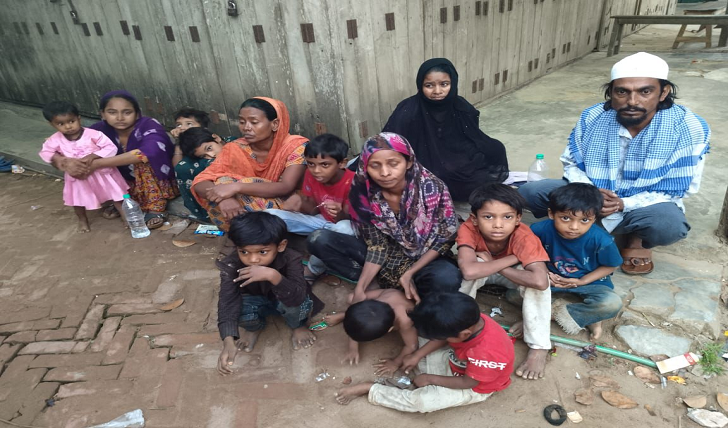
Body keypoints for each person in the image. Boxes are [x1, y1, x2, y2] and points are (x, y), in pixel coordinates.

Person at [519, 52, 710, 275]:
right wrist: (591, 194)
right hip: (591, 192)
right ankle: (584, 223)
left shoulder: (689, 127)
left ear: (663, 92)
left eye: (645, 91)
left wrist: (622, 204)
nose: (632, 101)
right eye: (622, 92)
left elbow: (684, 187)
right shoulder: (593, 117)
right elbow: (572, 162)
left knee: (668, 226)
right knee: (529, 193)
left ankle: (636, 238)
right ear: (611, 93)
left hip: (643, 204)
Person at [307, 133, 462, 306]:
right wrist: (361, 288)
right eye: (374, 165)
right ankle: (382, 284)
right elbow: (377, 246)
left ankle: (390, 285)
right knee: (319, 239)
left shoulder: (432, 188)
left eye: (393, 164)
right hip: (387, 257)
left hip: (425, 257)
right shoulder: (363, 193)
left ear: (408, 162)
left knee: (446, 277)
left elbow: (444, 239)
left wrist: (410, 272)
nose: (385, 173)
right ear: (365, 166)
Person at [335, 292, 514, 413]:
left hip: (473, 385)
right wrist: (417, 355)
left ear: (464, 334)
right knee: (416, 350)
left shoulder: (488, 354)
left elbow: (468, 382)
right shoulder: (465, 318)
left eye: (442, 336)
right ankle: (421, 373)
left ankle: (372, 389)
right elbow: (443, 338)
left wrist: (429, 379)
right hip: (457, 363)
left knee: (423, 402)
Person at [457, 183, 551, 380]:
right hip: (482, 270)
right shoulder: (468, 228)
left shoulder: (523, 235)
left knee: (539, 287)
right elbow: (469, 271)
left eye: (507, 217)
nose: (498, 224)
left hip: (510, 275)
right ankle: (458, 326)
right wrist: (512, 257)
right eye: (488, 217)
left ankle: (539, 347)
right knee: (466, 273)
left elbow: (540, 281)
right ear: (474, 218)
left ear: (518, 219)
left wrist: (498, 264)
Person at [382, 58, 508, 203]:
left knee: (495, 149)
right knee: (440, 175)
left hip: (454, 152)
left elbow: (472, 136)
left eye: (444, 84)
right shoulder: (408, 109)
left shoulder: (460, 105)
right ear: (420, 85)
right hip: (422, 157)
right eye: (429, 85)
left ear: (452, 83)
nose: (437, 91)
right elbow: (389, 142)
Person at [216, 212, 323, 375]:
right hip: (254, 299)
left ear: (281, 246)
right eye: (244, 252)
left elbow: (298, 296)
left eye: (262, 252)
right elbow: (227, 301)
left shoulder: (291, 258)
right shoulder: (231, 264)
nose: (253, 259)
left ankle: (298, 326)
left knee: (300, 304)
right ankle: (253, 328)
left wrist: (274, 276)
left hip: (286, 298)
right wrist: (228, 340)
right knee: (237, 309)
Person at [53, 90, 178, 229]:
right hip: (124, 181)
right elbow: (57, 147)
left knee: (141, 161)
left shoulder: (149, 125)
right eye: (112, 112)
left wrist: (96, 163)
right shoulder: (97, 131)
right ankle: (122, 202)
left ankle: (156, 208)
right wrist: (66, 163)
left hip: (156, 180)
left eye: (127, 112)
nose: (120, 118)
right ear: (103, 114)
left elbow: (147, 152)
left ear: (137, 113)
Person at [191, 97, 307, 231]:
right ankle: (246, 236)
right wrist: (224, 199)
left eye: (254, 122)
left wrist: (236, 187)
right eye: (242, 122)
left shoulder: (295, 146)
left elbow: (286, 186)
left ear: (275, 124)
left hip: (289, 205)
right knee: (222, 182)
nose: (246, 128)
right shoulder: (235, 148)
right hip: (250, 204)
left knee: (232, 185)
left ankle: (261, 234)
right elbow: (200, 182)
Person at [531, 183, 623, 340]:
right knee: (515, 294)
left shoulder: (602, 240)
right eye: (565, 218)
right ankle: (588, 316)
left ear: (594, 219)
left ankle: (561, 314)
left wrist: (582, 281)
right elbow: (531, 254)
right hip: (551, 279)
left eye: (584, 220)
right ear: (551, 214)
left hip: (591, 282)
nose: (574, 227)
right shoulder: (538, 230)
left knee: (611, 303)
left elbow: (611, 265)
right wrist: (544, 273)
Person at [266, 133, 356, 282]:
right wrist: (300, 203)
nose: (316, 170)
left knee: (344, 228)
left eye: (324, 165)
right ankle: (269, 258)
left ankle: (313, 269)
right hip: (322, 221)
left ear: (342, 163)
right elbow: (314, 210)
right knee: (269, 215)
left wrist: (339, 213)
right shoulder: (310, 175)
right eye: (311, 164)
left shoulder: (354, 182)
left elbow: (350, 220)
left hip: (344, 225)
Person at [39, 101, 128, 232]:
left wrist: (93, 156)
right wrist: (62, 161)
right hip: (78, 176)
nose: (68, 126)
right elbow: (46, 152)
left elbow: (111, 148)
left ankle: (126, 217)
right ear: (52, 124)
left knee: (117, 196)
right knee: (78, 201)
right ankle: (82, 220)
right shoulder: (54, 140)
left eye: (71, 121)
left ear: (79, 118)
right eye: (61, 124)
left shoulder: (93, 134)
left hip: (102, 173)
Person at [313, 288, 417, 370]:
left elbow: (411, 346)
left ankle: (345, 315)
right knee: (351, 297)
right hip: (388, 295)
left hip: (397, 300)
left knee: (356, 303)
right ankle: (346, 315)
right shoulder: (378, 303)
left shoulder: (405, 321)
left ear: (390, 329)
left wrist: (396, 363)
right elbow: (360, 321)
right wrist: (353, 348)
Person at [175, 127, 226, 222]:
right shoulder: (210, 163)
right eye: (204, 156)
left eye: (209, 148)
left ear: (216, 138)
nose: (211, 155)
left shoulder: (237, 146)